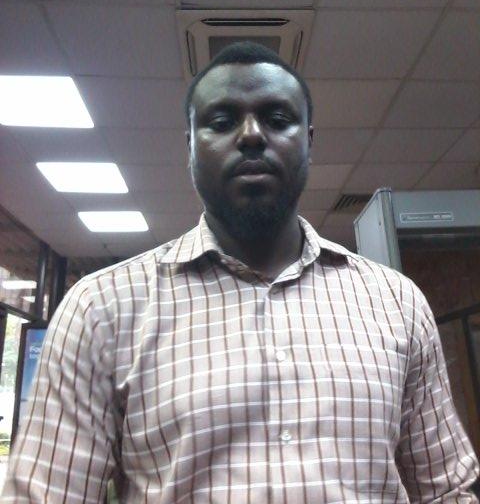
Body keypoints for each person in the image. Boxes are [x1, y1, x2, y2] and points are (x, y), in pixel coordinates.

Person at [1, 42, 478, 503]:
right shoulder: (101, 309)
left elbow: (446, 491)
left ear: (308, 142)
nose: (251, 135)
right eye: (222, 121)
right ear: (190, 146)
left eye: (278, 119)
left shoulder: (396, 303)